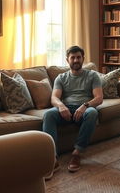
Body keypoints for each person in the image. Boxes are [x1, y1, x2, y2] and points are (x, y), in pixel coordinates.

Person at [43, 45, 103, 179]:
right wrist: (60, 106)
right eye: (73, 57)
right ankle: (52, 158)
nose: (76, 60)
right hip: (66, 110)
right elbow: (54, 97)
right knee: (48, 114)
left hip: (85, 109)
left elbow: (99, 98)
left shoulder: (92, 75)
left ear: (83, 59)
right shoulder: (61, 78)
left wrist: (85, 105)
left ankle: (77, 153)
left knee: (92, 113)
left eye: (78, 57)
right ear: (67, 60)